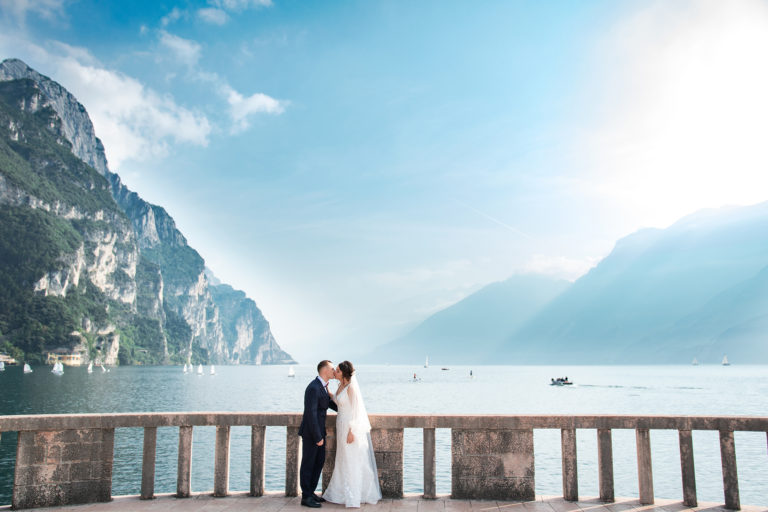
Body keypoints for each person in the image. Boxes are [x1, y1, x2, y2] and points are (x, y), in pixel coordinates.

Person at [323, 361, 382, 508]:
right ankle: (341, 493)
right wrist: (327, 390)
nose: (335, 372)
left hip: (349, 428)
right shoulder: (340, 386)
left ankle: (354, 495)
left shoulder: (351, 388)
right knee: (342, 459)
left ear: (343, 372)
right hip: (340, 426)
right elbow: (337, 402)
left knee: (352, 460)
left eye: (337, 370)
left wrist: (352, 432)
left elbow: (356, 412)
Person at [298, 360, 338, 508]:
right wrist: (317, 437)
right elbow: (311, 414)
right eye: (333, 369)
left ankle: (311, 492)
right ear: (325, 370)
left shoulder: (323, 387)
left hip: (320, 432)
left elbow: (330, 405)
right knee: (308, 464)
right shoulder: (313, 388)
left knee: (318, 462)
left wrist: (346, 407)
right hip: (311, 434)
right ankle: (306, 497)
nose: (334, 371)